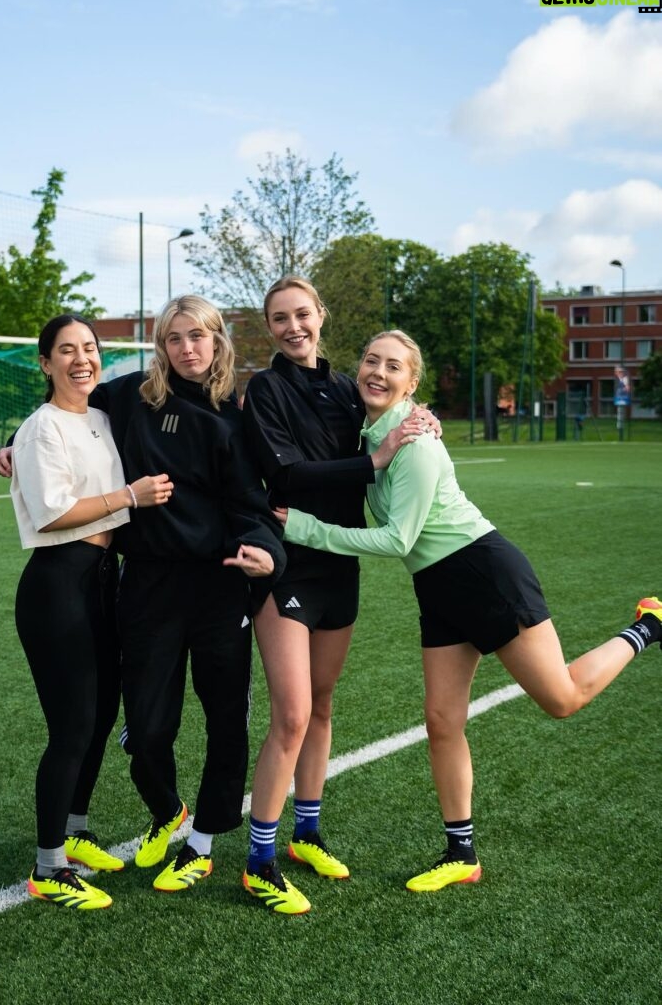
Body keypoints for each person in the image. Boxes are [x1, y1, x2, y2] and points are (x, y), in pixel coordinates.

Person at [277, 328, 662, 893]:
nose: (377, 373)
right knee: (442, 722)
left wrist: (305, 528)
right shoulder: (369, 432)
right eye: (370, 361)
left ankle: (648, 624)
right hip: (438, 590)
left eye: (393, 367)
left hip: (484, 574)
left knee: (562, 699)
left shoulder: (418, 445)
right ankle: (462, 851)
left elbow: (398, 540)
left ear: (412, 384)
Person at [0, 296, 286, 895]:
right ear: (161, 344)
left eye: (199, 337)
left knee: (225, 719)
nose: (188, 348)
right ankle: (166, 810)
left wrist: (269, 554)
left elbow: (251, 506)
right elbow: (62, 411)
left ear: (218, 343)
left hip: (218, 588)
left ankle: (203, 843)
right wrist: (11, 443)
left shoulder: (236, 416)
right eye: (176, 337)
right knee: (146, 729)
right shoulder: (130, 396)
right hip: (147, 585)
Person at [240, 276, 440, 915]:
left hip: (340, 566)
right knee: (292, 715)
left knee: (322, 707)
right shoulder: (266, 389)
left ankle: (306, 834)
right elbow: (286, 474)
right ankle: (259, 861)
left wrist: (419, 418)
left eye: (302, 314)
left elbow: (393, 408)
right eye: (279, 319)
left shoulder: (348, 390)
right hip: (288, 566)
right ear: (269, 327)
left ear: (321, 316)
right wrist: (377, 458)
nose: (293, 327)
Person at [10, 314, 173, 910]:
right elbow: (52, 513)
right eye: (66, 351)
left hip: (105, 582)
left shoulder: (103, 417)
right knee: (72, 726)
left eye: (89, 348)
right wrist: (129, 496)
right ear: (45, 363)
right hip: (58, 586)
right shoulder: (39, 428)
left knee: (102, 716)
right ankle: (48, 866)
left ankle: (75, 832)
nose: (82, 359)